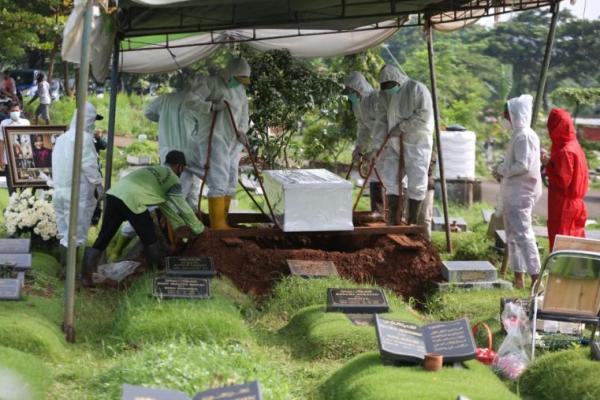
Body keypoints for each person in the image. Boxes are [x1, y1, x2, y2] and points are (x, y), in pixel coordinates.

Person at [82, 150, 205, 286]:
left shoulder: (153, 169)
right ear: (179, 166)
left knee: (104, 237)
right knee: (150, 239)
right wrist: (199, 228)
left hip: (114, 195)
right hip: (133, 200)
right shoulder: (173, 179)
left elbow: (165, 206)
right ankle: (153, 277)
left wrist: (179, 226)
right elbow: (184, 208)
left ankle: (86, 277)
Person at [184, 57, 251, 229]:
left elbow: (244, 114)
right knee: (218, 179)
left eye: (242, 80)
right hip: (214, 137)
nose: (239, 83)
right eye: (237, 79)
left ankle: (224, 219)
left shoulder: (240, 91)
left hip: (233, 140)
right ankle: (218, 224)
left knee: (231, 179)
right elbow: (190, 100)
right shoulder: (212, 83)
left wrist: (243, 131)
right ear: (230, 74)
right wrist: (211, 106)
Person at [371, 64, 434, 225]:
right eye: (385, 87)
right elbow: (381, 121)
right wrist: (376, 148)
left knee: (417, 180)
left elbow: (424, 115)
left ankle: (412, 222)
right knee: (390, 178)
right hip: (394, 143)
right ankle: (394, 220)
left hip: (416, 143)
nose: (388, 89)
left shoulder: (417, 89)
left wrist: (402, 127)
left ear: (398, 80)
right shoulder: (384, 95)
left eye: (390, 86)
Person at [52, 102, 103, 268]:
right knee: (76, 235)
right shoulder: (84, 138)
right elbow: (88, 164)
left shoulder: (61, 139)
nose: (94, 124)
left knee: (65, 232)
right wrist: (99, 185)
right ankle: (71, 274)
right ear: (87, 120)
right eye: (93, 120)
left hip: (60, 191)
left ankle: (64, 271)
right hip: (78, 193)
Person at [499, 95, 542, 289]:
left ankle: (536, 278)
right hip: (513, 193)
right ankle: (519, 278)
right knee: (513, 236)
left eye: (506, 113)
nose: (504, 116)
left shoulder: (525, 135)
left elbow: (522, 165)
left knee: (523, 234)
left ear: (515, 114)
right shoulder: (518, 134)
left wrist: (502, 170)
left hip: (521, 193)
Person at [145, 90, 201, 208]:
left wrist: (162, 119)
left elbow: (148, 112)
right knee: (190, 193)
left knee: (171, 190)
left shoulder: (165, 98)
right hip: (190, 149)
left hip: (169, 151)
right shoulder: (194, 98)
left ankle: (179, 221)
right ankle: (186, 221)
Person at [543, 108, 589, 251]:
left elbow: (561, 182)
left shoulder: (565, 152)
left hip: (564, 206)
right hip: (576, 204)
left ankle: (560, 273)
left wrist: (547, 165)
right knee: (575, 243)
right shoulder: (574, 145)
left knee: (562, 246)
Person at [344, 71, 386, 213]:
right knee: (374, 174)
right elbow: (362, 127)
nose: (349, 94)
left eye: (350, 90)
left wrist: (375, 149)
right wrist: (359, 148)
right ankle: (378, 211)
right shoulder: (357, 104)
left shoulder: (374, 98)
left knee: (392, 177)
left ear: (357, 87)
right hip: (377, 143)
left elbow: (383, 124)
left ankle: (395, 214)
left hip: (388, 142)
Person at [0, 102, 30, 169]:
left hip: (23, 157)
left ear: (20, 111)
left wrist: (28, 156)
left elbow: (27, 142)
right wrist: (1, 159)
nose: (15, 112)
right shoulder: (4, 123)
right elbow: (1, 142)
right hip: (7, 158)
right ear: (9, 112)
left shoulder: (26, 123)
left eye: (16, 110)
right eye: (12, 111)